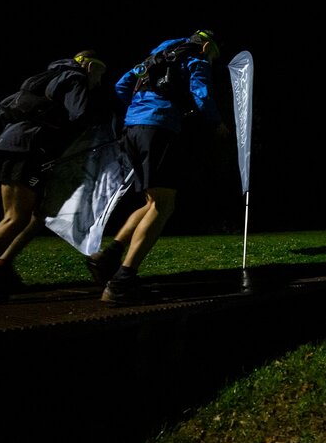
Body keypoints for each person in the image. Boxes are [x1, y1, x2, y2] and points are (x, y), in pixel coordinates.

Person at [0, 50, 111, 305]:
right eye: (100, 74)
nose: (99, 81)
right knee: (14, 218)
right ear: (88, 66)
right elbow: (81, 115)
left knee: (36, 215)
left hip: (12, 142)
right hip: (26, 148)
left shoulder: (46, 76)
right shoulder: (75, 78)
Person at [85, 30, 229, 304]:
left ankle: (108, 256)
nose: (213, 59)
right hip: (159, 128)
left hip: (132, 129)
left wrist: (139, 109)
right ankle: (122, 281)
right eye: (214, 55)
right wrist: (217, 124)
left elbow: (121, 85)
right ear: (207, 46)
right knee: (164, 205)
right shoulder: (196, 60)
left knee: (152, 201)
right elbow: (201, 95)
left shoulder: (154, 58)